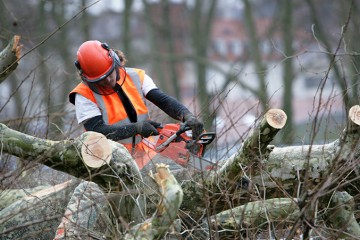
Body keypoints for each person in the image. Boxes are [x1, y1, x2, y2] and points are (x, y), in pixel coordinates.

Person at [69, 40, 204, 169]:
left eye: (110, 73)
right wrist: (137, 128)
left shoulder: (136, 76)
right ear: (87, 77)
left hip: (144, 156)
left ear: (115, 60)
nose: (108, 80)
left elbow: (162, 100)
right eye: (102, 79)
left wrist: (186, 115)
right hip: (109, 162)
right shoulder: (83, 94)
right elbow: (98, 131)